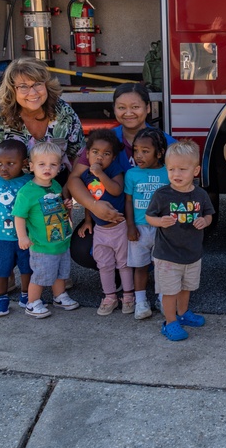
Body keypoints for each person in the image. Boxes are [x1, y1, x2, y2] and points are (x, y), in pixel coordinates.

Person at [0, 57, 85, 304]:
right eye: (23, 86)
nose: (32, 92)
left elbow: (80, 157)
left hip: (52, 183)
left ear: (47, 85)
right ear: (12, 90)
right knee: (9, 232)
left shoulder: (64, 113)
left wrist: (67, 190)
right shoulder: (0, 119)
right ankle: (4, 277)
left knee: (52, 232)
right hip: (14, 188)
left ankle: (53, 273)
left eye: (37, 84)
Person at [68, 82, 176, 266]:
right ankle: (118, 276)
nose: (128, 113)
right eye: (121, 107)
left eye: (135, 107)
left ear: (148, 108)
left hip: (150, 219)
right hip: (113, 215)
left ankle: (150, 270)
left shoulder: (167, 143)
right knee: (82, 250)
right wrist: (94, 206)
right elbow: (74, 179)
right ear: (114, 109)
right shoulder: (103, 141)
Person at [145, 140, 214, 342]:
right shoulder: (162, 194)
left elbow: (210, 214)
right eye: (171, 169)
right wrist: (159, 221)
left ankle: (183, 313)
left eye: (183, 169)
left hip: (192, 254)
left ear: (196, 170)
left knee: (186, 288)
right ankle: (170, 322)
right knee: (169, 292)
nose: (176, 174)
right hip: (167, 256)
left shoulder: (200, 194)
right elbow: (149, 217)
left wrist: (205, 221)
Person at [13, 141, 80, 319]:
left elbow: (57, 209)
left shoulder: (56, 186)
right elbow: (19, 216)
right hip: (42, 245)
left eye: (53, 164)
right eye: (42, 164)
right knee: (41, 275)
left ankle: (59, 296)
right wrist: (22, 237)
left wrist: (66, 207)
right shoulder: (27, 192)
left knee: (61, 273)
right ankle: (32, 303)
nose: (47, 168)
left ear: (59, 167)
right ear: (31, 166)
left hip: (60, 241)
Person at [75, 129, 132, 316]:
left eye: (106, 154)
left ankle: (128, 295)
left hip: (119, 227)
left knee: (123, 263)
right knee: (104, 264)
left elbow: (116, 190)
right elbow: (89, 199)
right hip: (100, 229)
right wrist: (88, 221)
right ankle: (109, 296)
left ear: (113, 157)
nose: (100, 157)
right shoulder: (85, 175)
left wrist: (101, 174)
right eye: (95, 152)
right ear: (87, 153)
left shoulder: (114, 170)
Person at [0, 139, 33, 317]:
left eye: (10, 164)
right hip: (1, 238)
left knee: (27, 268)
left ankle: (27, 295)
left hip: (26, 237)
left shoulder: (30, 182)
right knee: (1, 270)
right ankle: (1, 298)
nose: (4, 168)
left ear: (24, 163)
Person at [123, 127, 170, 320]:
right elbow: (128, 202)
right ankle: (140, 302)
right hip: (139, 230)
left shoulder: (167, 173)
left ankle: (162, 299)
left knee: (162, 266)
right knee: (140, 266)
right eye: (136, 150)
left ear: (159, 153)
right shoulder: (132, 174)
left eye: (145, 151)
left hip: (162, 229)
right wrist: (131, 226)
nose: (139, 155)